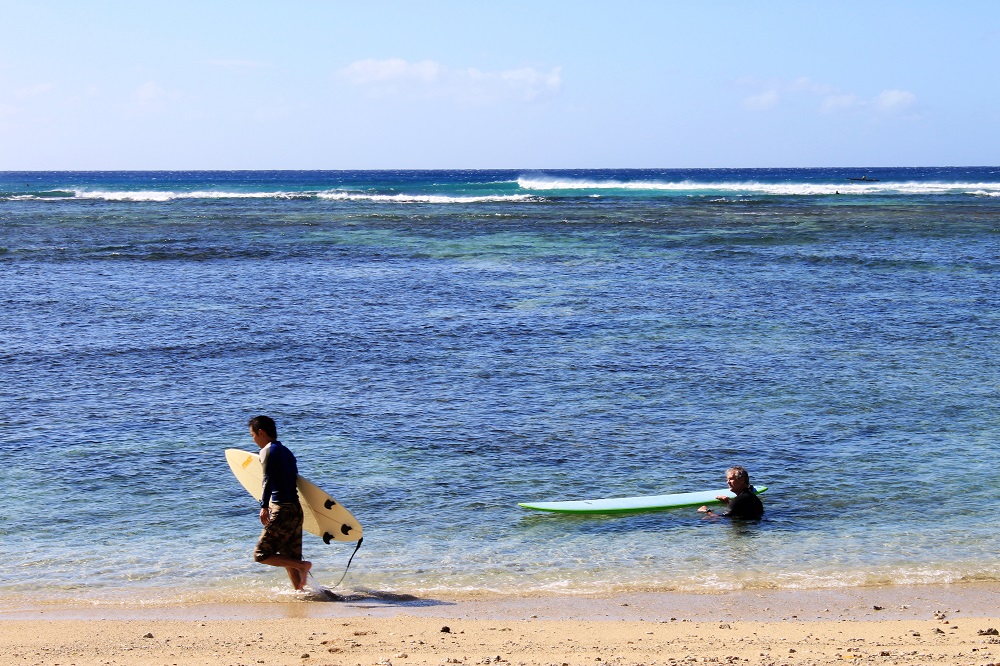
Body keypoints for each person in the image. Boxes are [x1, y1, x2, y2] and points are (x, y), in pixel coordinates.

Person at [248, 415, 311, 590]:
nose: (253, 440)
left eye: (253, 435)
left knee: (261, 554)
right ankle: (300, 592)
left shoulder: (267, 451)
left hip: (282, 509)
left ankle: (303, 566)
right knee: (289, 556)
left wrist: (264, 506)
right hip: (295, 509)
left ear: (261, 432)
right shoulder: (287, 452)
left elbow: (268, 479)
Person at [698, 465, 764, 520]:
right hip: (754, 526)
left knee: (704, 519)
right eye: (727, 479)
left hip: (743, 528)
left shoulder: (739, 500)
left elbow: (720, 519)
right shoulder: (750, 496)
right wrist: (728, 501)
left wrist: (707, 511)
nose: (728, 482)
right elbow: (739, 507)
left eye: (731, 479)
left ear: (742, 480)